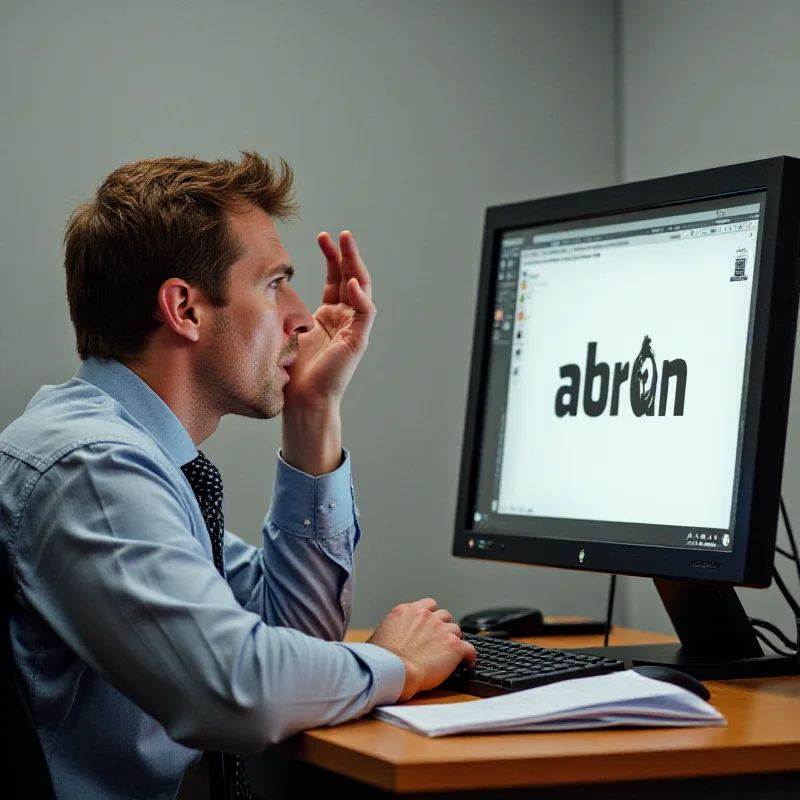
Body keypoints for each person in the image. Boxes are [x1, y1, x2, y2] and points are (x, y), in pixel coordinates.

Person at [0, 153, 476, 800]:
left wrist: (313, 409)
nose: (303, 318)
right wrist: (399, 665)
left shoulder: (143, 467)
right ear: (185, 310)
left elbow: (295, 640)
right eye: (275, 284)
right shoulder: (88, 468)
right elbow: (239, 692)